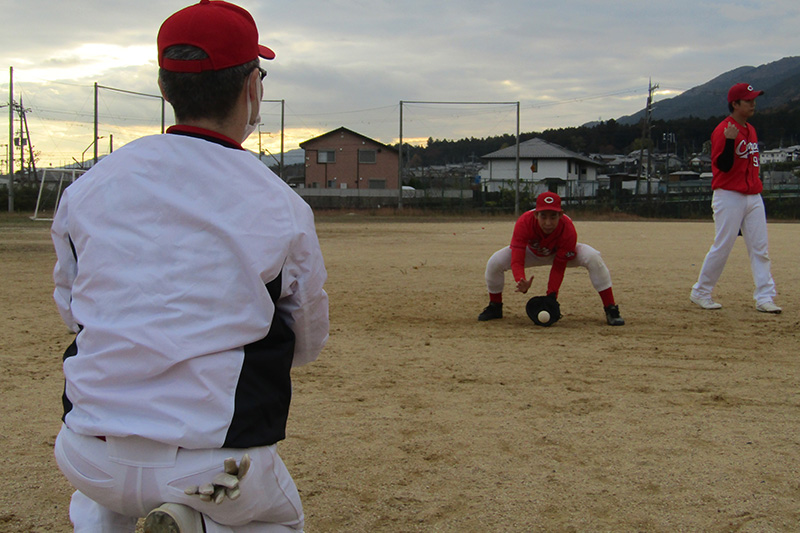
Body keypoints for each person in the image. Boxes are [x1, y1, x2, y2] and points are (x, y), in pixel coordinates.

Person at [51, 1, 329, 532]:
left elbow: (72, 309)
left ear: (164, 87)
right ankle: (197, 521)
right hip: (215, 464)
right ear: (252, 88)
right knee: (276, 519)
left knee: (101, 495)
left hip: (87, 450)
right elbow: (307, 335)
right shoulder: (279, 203)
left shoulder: (91, 186)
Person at [690, 83, 781, 313]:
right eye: (748, 100)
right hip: (729, 195)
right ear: (735, 104)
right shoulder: (724, 130)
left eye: (753, 99)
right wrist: (730, 141)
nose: (753, 103)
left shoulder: (750, 129)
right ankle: (701, 291)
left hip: (753, 196)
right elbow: (722, 165)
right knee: (723, 245)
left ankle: (765, 297)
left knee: (760, 249)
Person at [478, 191, 624, 326]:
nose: (548, 222)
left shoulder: (567, 229)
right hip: (532, 252)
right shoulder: (524, 222)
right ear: (536, 215)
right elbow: (517, 257)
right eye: (543, 216)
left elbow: (559, 267)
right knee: (494, 262)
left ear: (561, 215)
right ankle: (495, 307)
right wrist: (520, 279)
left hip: (558, 254)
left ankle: (610, 308)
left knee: (593, 257)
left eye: (553, 216)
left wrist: (551, 296)